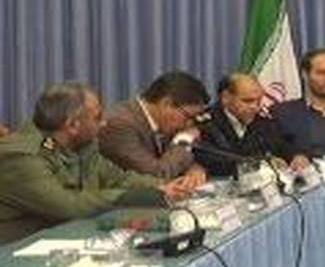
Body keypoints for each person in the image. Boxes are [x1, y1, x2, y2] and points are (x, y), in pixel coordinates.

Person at [0, 82, 193, 244]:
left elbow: (118, 178)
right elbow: (67, 206)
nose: (104, 123)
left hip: (64, 239)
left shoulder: (82, 146)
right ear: (72, 125)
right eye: (97, 117)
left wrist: (164, 187)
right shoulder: (21, 156)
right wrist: (130, 196)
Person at [99, 70, 211, 186]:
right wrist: (184, 140)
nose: (189, 125)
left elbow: (173, 156)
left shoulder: (162, 122)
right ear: (166, 104)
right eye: (188, 116)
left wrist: (194, 169)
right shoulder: (119, 124)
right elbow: (156, 175)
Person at [194, 73, 308, 177]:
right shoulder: (206, 123)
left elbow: (282, 144)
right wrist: (260, 164)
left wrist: (296, 156)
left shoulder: (262, 121)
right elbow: (209, 161)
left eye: (258, 101)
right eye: (247, 101)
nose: (255, 107)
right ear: (226, 98)